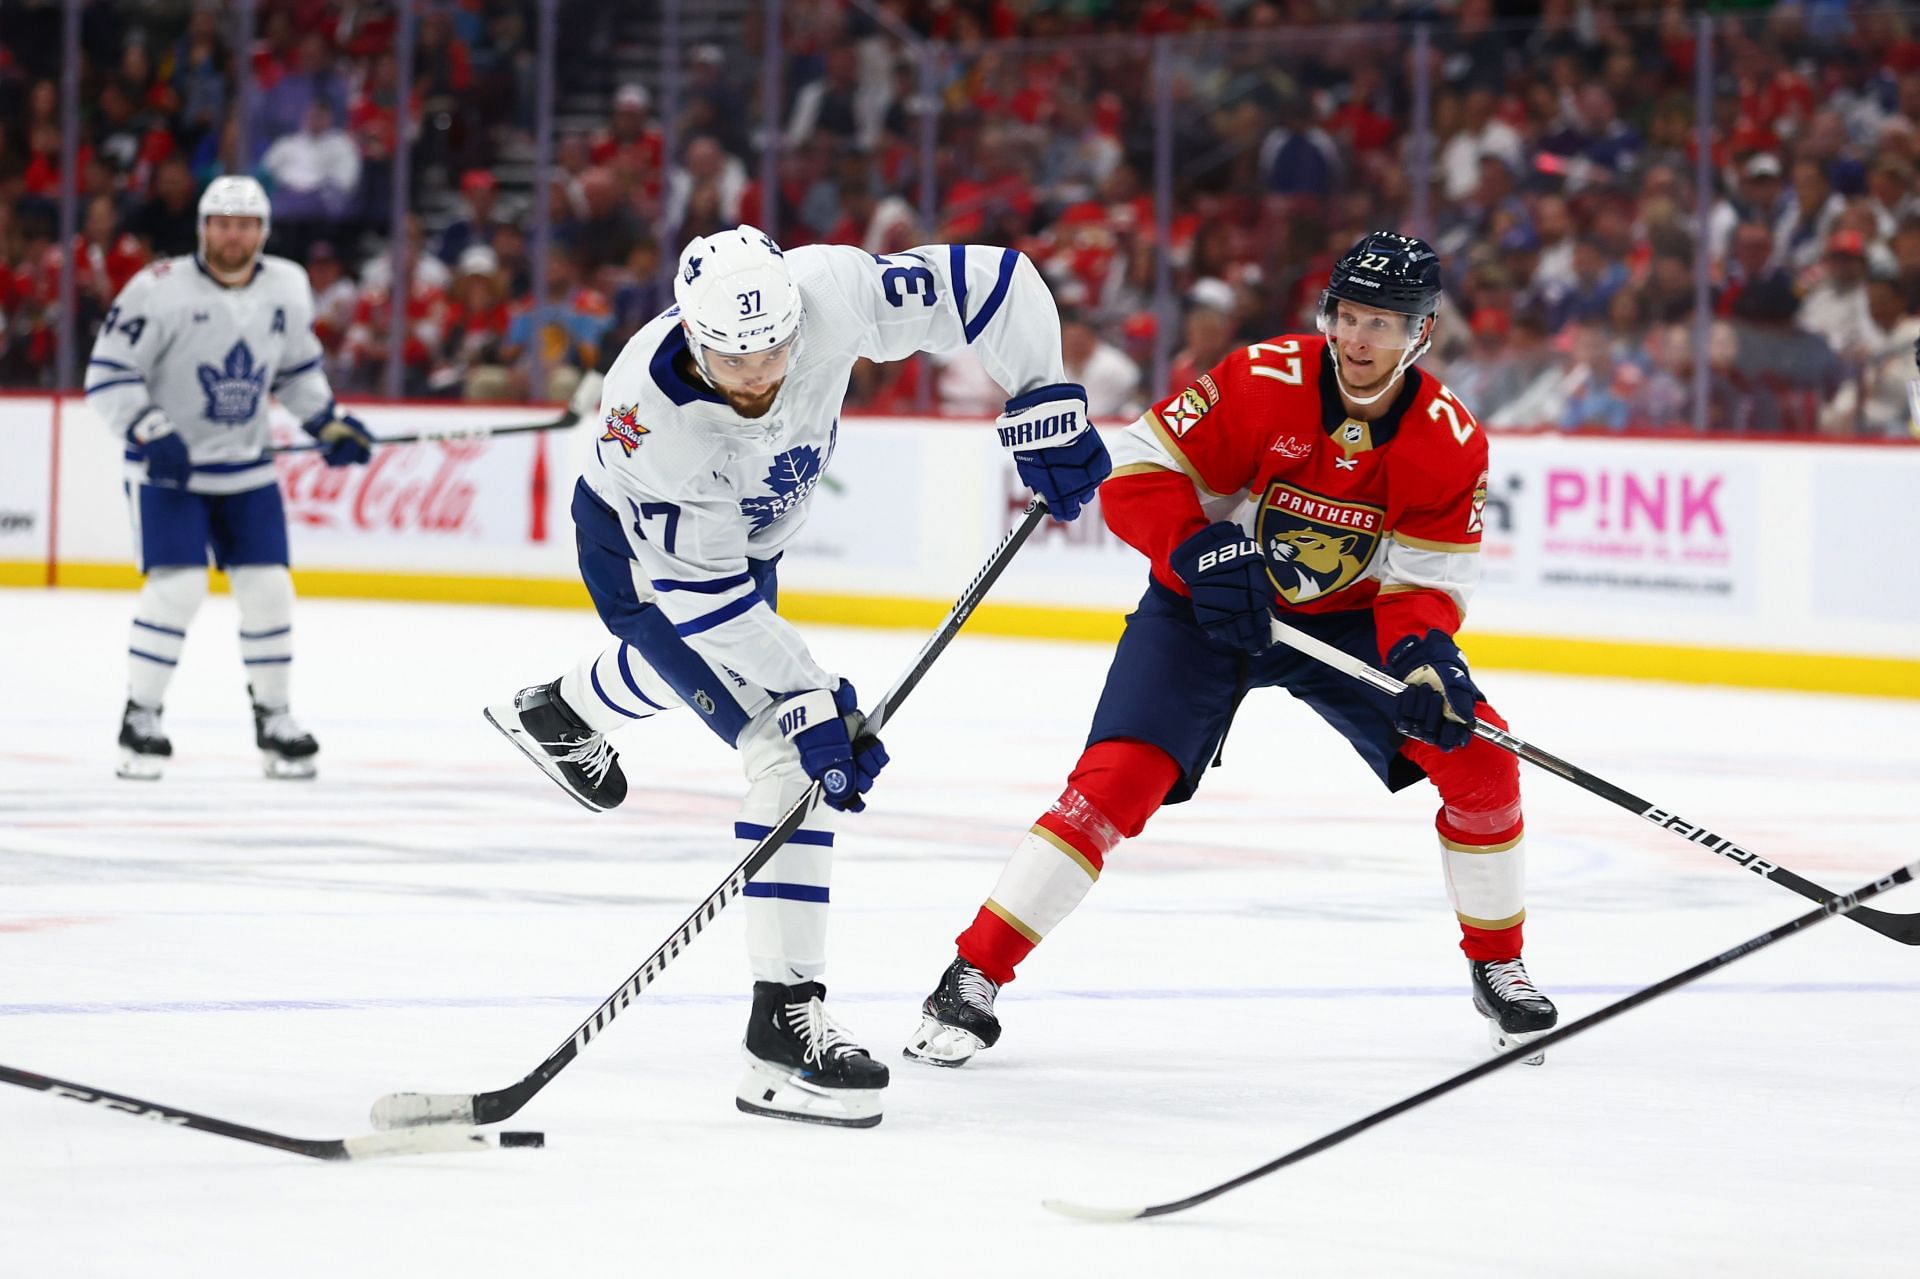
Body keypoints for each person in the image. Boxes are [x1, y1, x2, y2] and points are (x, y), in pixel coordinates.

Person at [485, 225, 1110, 1127]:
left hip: (741, 549)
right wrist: (812, 699)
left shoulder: (830, 290)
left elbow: (996, 284)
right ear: (692, 336)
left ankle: (560, 711)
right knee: (788, 755)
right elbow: (705, 606)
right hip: (646, 564)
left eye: (777, 349)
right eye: (736, 360)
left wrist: (1044, 396)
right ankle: (781, 1032)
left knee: (705, 679)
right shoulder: (648, 421)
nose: (763, 375)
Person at [904, 231, 1560, 1070]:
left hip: (1342, 625)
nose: (1359, 341)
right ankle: (972, 974)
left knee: (1480, 763)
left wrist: (1427, 660)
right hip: (1206, 608)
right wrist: (1198, 547)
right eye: (1349, 317)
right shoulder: (1261, 380)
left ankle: (1498, 964)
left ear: (1422, 334)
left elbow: (1420, 584)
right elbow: (1137, 471)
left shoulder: (1449, 438)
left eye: (1384, 325)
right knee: (1113, 785)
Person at [84, 176, 374, 782]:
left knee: (269, 591)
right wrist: (149, 428)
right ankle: (141, 715)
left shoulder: (288, 285)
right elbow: (108, 374)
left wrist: (327, 422)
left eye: (244, 224)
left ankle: (275, 717)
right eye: (221, 222)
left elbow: (295, 370)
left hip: (246, 471)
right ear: (203, 227)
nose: (232, 234)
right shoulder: (156, 289)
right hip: (171, 474)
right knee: (180, 587)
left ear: (262, 232)